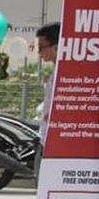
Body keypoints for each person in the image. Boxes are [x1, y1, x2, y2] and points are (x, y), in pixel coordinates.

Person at [36, 22, 60, 172]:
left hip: (54, 143)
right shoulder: (54, 73)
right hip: (46, 138)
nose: (39, 53)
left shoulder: (65, 75)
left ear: (56, 46)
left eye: (42, 48)